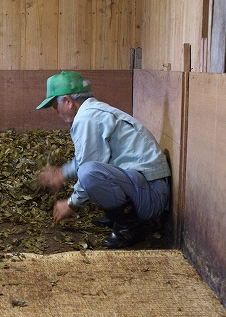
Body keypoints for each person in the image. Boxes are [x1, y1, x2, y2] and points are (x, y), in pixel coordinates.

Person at [36, 71, 171, 248]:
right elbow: (91, 157)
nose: (57, 112)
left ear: (68, 102)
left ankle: (131, 227)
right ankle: (121, 217)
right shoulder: (93, 112)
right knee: (91, 171)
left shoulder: (86, 119)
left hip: (152, 196)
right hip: (148, 188)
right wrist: (63, 173)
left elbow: (88, 168)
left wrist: (70, 204)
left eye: (55, 106)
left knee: (89, 174)